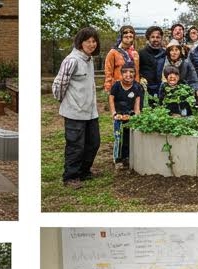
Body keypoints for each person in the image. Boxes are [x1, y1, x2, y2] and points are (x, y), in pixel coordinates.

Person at [52, 27, 100, 187]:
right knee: (75, 146)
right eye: (88, 41)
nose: (92, 44)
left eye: (94, 41)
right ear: (80, 42)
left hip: (90, 112)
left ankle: (84, 172)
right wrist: (66, 103)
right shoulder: (72, 60)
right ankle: (71, 177)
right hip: (75, 112)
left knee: (93, 143)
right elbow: (58, 84)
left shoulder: (89, 59)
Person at [109, 64, 142, 168]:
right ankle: (117, 159)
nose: (129, 74)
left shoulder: (137, 87)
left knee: (129, 137)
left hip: (130, 115)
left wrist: (135, 116)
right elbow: (111, 100)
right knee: (118, 137)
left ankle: (127, 157)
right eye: (126, 72)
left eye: (131, 72)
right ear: (121, 74)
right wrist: (114, 114)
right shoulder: (116, 86)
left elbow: (137, 105)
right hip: (118, 116)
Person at [103, 26, 140, 95]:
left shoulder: (135, 53)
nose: (128, 38)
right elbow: (108, 71)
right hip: (117, 87)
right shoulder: (113, 52)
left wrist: (137, 86)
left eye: (131, 36)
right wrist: (108, 88)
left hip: (132, 87)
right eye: (126, 36)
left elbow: (136, 71)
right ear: (121, 37)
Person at [139, 26, 167, 97]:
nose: (155, 39)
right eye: (152, 37)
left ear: (161, 39)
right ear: (148, 38)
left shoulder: (165, 53)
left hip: (162, 89)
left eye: (158, 37)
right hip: (146, 90)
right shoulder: (141, 53)